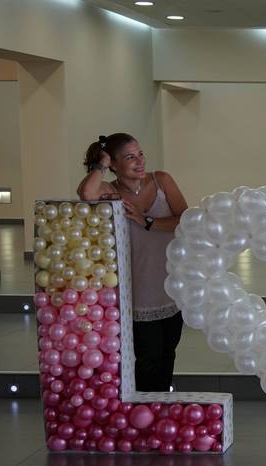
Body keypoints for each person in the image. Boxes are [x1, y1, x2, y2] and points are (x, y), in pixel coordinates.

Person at [77, 133, 188, 392]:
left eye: (140, 154)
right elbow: (86, 192)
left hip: (172, 280)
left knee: (168, 352)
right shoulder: (110, 190)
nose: (139, 161)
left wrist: (147, 221)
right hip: (138, 286)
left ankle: (162, 408)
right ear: (113, 164)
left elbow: (185, 218)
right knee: (148, 356)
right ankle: (146, 413)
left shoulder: (162, 180)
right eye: (129, 157)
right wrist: (101, 164)